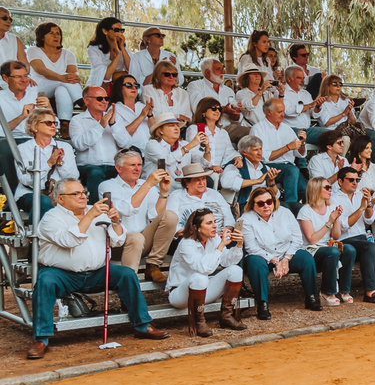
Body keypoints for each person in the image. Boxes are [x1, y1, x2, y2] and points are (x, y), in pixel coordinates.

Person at [30, 179, 165, 359]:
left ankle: (142, 326)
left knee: (126, 274)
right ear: (60, 199)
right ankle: (41, 339)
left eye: (83, 192)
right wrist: (90, 216)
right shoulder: (52, 218)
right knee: (45, 281)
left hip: (97, 272)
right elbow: (69, 241)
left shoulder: (96, 212)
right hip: (62, 274)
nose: (82, 196)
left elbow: (118, 241)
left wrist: (116, 222)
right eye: (75, 194)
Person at [240, 186, 323, 318]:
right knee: (254, 263)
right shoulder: (246, 218)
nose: (266, 206)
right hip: (262, 256)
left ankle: (311, 297)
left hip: (286, 254)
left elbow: (297, 239)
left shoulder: (285, 212)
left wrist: (286, 259)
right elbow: (251, 247)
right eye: (261, 203)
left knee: (306, 258)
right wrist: (275, 260)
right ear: (253, 204)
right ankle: (263, 304)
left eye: (269, 201)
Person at [100, 149, 176, 282]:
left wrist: (163, 193)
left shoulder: (148, 186)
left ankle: (153, 265)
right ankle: (130, 284)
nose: (137, 169)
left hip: (144, 240)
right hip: (118, 243)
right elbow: (127, 209)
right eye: (132, 165)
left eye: (139, 165)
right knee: (136, 237)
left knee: (170, 215)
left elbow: (156, 216)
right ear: (119, 168)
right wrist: (147, 184)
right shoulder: (107, 186)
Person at [167, 207, 245, 335]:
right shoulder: (186, 243)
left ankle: (227, 317)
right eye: (209, 223)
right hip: (180, 295)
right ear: (196, 227)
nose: (215, 226)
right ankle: (199, 322)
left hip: (202, 292)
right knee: (200, 277)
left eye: (214, 222)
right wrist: (221, 246)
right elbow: (203, 268)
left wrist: (238, 245)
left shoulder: (213, 239)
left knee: (235, 270)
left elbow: (227, 262)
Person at [329, 166, 375, 304]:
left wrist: (367, 205)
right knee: (369, 247)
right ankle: (370, 291)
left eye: (357, 179)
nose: (355, 182)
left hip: (362, 237)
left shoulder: (360, 196)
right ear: (340, 181)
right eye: (351, 180)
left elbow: (369, 219)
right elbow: (343, 225)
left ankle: (373, 286)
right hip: (345, 239)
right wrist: (361, 208)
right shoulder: (334, 199)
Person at [296, 176, 358, 306]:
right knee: (333, 252)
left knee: (350, 249)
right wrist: (329, 221)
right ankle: (326, 292)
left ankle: (344, 290)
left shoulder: (332, 207)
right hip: (311, 249)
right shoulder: (305, 211)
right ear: (316, 190)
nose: (331, 190)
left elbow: (336, 235)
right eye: (327, 187)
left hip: (328, 245)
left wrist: (335, 220)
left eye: (330, 187)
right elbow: (312, 239)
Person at [16, 109, 78, 218]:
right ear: (35, 127)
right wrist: (49, 163)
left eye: (55, 123)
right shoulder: (23, 149)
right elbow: (25, 179)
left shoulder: (65, 147)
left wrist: (60, 164)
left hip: (58, 194)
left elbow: (73, 178)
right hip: (29, 193)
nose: (53, 126)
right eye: (48, 123)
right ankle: (37, 234)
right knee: (43, 201)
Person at [249, 97, 304, 204]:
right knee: (292, 171)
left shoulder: (287, 128)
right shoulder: (257, 129)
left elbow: (299, 154)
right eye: (280, 112)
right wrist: (287, 147)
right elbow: (263, 157)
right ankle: (290, 209)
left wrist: (302, 143)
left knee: (307, 189)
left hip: (289, 167)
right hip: (268, 167)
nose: (283, 115)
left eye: (283, 111)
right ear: (269, 112)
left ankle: (283, 205)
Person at [26, 22, 81, 128]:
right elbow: (40, 69)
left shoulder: (68, 54)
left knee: (62, 90)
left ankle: (64, 126)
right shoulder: (33, 50)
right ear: (42, 37)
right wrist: (62, 77)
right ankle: (83, 102)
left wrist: (76, 76)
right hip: (38, 87)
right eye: (51, 33)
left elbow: (73, 72)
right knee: (64, 81)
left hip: (59, 86)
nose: (56, 36)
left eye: (58, 33)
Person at [70, 86, 120, 201]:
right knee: (96, 172)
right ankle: (95, 210)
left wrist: (113, 125)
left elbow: (126, 143)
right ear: (86, 100)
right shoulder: (77, 120)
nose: (104, 101)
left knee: (129, 169)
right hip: (87, 166)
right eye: (99, 98)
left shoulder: (115, 118)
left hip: (112, 165)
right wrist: (101, 126)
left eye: (106, 98)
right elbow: (79, 145)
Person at [186, 56, 247, 140]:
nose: (223, 72)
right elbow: (197, 108)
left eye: (222, 68)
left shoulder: (228, 90)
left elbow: (237, 118)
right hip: (206, 129)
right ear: (207, 72)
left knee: (252, 132)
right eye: (218, 69)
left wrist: (235, 114)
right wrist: (223, 110)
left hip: (226, 129)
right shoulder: (195, 86)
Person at [166, 162, 230, 232]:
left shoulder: (215, 194)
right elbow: (170, 222)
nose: (202, 183)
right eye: (197, 180)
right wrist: (188, 233)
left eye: (203, 179)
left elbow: (228, 216)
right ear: (187, 182)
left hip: (219, 235)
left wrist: (227, 229)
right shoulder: (176, 196)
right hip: (188, 236)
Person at [142, 113, 202, 182]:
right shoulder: (152, 144)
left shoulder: (184, 144)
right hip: (157, 190)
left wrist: (207, 149)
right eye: (171, 126)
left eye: (177, 126)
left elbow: (202, 163)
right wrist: (191, 144)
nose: (176, 128)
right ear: (160, 130)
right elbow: (167, 160)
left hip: (182, 190)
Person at [186, 97, 237, 177]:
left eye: (219, 109)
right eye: (214, 108)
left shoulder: (223, 132)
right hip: (200, 171)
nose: (217, 111)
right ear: (203, 112)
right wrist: (210, 166)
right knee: (215, 177)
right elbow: (193, 154)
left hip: (219, 170)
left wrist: (236, 157)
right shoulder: (194, 129)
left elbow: (229, 151)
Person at [0, 60, 50, 142]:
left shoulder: (36, 96)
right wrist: (21, 117)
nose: (24, 80)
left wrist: (48, 106)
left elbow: (54, 126)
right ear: (5, 78)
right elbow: (1, 132)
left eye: (26, 76)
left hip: (34, 140)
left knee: (64, 145)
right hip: (7, 140)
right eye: (18, 76)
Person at [110, 71, 153, 153]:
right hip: (129, 154)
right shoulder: (115, 109)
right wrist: (141, 116)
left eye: (136, 85)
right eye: (128, 85)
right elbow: (122, 137)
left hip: (149, 152)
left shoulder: (142, 106)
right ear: (119, 88)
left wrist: (150, 115)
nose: (133, 88)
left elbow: (153, 130)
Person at [85, 17, 130, 88]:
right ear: (105, 31)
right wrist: (118, 55)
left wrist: (122, 48)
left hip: (118, 84)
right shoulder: (93, 49)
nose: (120, 33)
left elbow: (131, 68)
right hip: (99, 84)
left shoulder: (123, 47)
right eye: (116, 30)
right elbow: (106, 76)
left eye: (121, 30)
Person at [143, 60, 192, 124]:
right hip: (156, 130)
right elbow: (151, 116)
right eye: (167, 74)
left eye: (174, 74)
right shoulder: (149, 90)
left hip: (181, 130)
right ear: (158, 76)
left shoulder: (183, 93)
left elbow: (188, 118)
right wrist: (178, 116)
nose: (171, 77)